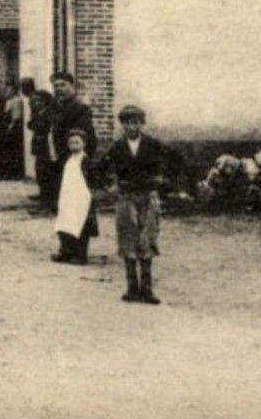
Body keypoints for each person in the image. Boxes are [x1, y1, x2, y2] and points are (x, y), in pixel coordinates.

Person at [98, 105, 172, 304]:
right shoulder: (117, 147)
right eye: (127, 123)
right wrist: (110, 185)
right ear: (122, 125)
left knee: (147, 238)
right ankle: (132, 288)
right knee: (127, 239)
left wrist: (161, 182)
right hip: (126, 197)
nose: (131, 126)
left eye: (135, 122)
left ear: (142, 123)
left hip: (148, 196)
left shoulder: (153, 145)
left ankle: (147, 289)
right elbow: (100, 168)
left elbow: (169, 164)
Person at [51, 131, 100, 265]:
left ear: (84, 144)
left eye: (77, 142)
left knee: (80, 225)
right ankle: (66, 252)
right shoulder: (67, 159)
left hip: (81, 198)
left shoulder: (85, 161)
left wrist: (91, 194)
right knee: (65, 224)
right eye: (71, 142)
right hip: (67, 196)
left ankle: (81, 255)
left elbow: (93, 179)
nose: (73, 145)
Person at [48, 71, 97, 202]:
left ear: (71, 85)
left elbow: (83, 134)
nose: (59, 89)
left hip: (75, 153)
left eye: (63, 85)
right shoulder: (56, 105)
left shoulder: (80, 107)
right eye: (56, 86)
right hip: (61, 153)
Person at [27, 87, 57, 213]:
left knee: (45, 174)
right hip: (40, 147)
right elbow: (30, 125)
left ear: (45, 101)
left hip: (46, 148)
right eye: (34, 101)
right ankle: (43, 199)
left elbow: (43, 128)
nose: (35, 103)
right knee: (40, 173)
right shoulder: (39, 112)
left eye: (39, 100)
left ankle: (47, 204)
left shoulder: (48, 113)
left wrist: (37, 126)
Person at [0, 79, 30, 180]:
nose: (7, 91)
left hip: (14, 126)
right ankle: (7, 172)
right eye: (6, 89)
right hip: (7, 124)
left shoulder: (17, 100)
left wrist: (10, 126)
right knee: (7, 150)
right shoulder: (8, 101)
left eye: (9, 89)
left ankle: (13, 173)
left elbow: (16, 116)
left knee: (13, 150)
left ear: (14, 90)